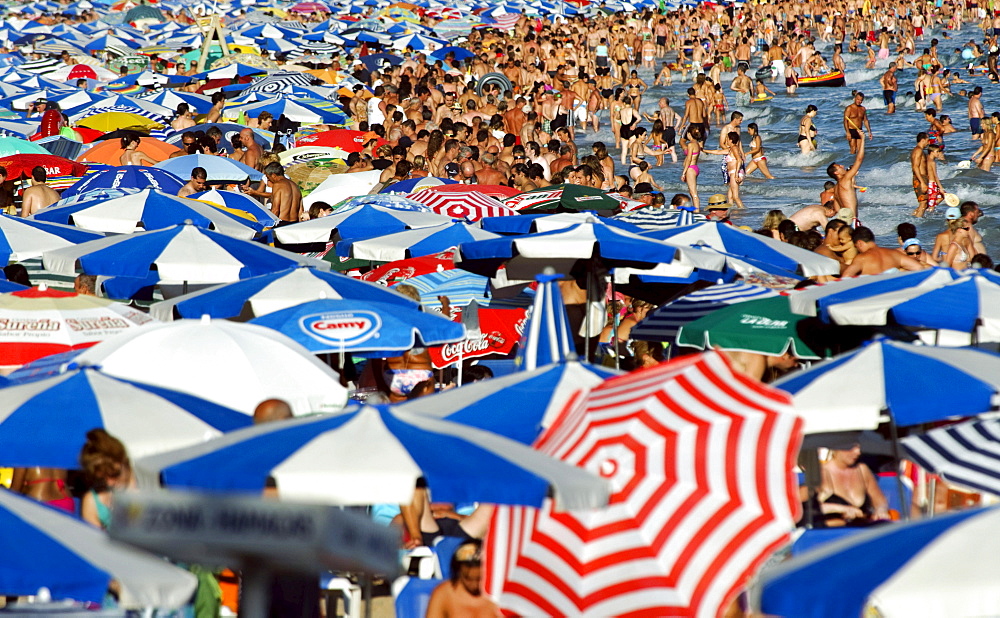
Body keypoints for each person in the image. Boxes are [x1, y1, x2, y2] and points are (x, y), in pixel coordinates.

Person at [817, 441, 891, 527]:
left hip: (862, 531)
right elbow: (810, 509)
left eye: (859, 447)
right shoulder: (822, 473)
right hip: (834, 533)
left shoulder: (862, 470)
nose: (858, 452)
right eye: (851, 447)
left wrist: (881, 510)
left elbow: (879, 500)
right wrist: (842, 509)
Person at [425, 540, 499, 618]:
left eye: (479, 579)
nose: (474, 585)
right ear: (459, 571)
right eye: (468, 579)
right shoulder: (444, 594)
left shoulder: (499, 595)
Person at [80, 428, 133, 530]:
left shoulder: (145, 487)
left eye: (114, 474)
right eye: (102, 478)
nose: (109, 483)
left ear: (125, 463)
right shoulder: (93, 501)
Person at [841, 226, 927, 276]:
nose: (858, 250)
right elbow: (918, 268)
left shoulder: (862, 258)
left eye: (856, 247)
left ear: (859, 243)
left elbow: (846, 278)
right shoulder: (894, 254)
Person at [827, 136, 865, 222]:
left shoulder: (836, 189)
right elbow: (859, 159)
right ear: (836, 173)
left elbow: (837, 209)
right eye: (839, 167)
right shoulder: (845, 180)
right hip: (852, 219)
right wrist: (862, 140)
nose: (842, 166)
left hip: (843, 220)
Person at [910, 132, 930, 217]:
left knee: (924, 203)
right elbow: (915, 167)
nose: (929, 142)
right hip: (920, 178)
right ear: (922, 140)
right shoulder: (918, 150)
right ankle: (918, 221)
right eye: (927, 140)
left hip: (922, 178)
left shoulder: (918, 150)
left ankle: (914, 217)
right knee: (923, 203)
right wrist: (922, 182)